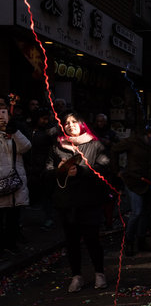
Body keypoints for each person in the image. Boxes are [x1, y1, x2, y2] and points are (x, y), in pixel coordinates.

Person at [45, 111, 110, 292]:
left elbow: (104, 167)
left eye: (75, 121)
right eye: (66, 122)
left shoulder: (95, 145)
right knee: (71, 242)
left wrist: (81, 172)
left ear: (82, 124)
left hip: (89, 202)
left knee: (92, 240)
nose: (70, 125)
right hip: (66, 203)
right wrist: (58, 170)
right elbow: (46, 171)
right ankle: (76, 276)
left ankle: (99, 273)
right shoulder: (57, 147)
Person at [112, 121, 151, 255]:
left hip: (148, 181)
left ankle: (141, 240)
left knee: (145, 213)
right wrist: (117, 170)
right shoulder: (133, 141)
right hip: (133, 181)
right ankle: (129, 241)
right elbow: (114, 149)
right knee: (137, 212)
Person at [0, 104, 31, 255]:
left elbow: (26, 147)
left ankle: (11, 244)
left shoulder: (14, 132)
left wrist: (14, 132)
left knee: (13, 216)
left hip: (14, 181)